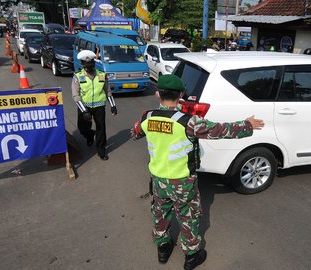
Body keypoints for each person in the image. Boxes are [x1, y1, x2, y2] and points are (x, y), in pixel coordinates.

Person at [131, 75, 264, 270]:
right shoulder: (188, 122)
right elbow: (221, 130)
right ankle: (192, 256)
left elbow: (134, 133)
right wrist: (247, 125)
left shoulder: (147, 117)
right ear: (181, 94)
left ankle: (163, 249)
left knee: (160, 213)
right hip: (182, 182)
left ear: (158, 93)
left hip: (158, 179)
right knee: (188, 216)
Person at [72, 50, 117, 160]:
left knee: (101, 128)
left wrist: (113, 105)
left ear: (94, 63)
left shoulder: (102, 75)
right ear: (82, 65)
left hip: (99, 106)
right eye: (86, 65)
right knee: (82, 128)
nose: (89, 67)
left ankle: (101, 150)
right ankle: (89, 135)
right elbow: (75, 95)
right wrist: (84, 111)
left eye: (91, 64)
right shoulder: (77, 77)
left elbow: (108, 91)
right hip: (84, 106)